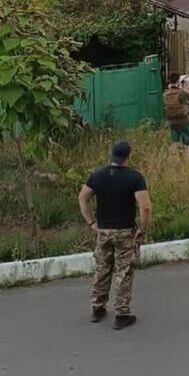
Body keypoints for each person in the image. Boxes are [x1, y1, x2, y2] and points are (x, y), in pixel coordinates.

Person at [79, 139, 151, 329]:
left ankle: (98, 307)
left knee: (102, 267)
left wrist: (91, 222)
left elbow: (83, 197)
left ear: (112, 155)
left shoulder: (98, 175)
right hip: (125, 231)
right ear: (128, 156)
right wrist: (142, 229)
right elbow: (145, 207)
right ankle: (122, 313)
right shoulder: (135, 177)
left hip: (103, 230)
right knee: (124, 271)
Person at [162, 73, 189, 156]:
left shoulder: (165, 94)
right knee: (188, 139)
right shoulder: (181, 93)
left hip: (171, 120)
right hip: (182, 119)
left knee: (175, 140)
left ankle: (174, 159)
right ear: (178, 81)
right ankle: (186, 159)